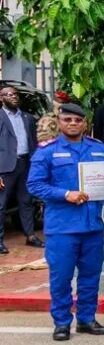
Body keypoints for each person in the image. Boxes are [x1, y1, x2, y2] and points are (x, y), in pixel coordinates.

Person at [28, 103, 104, 341]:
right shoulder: (47, 151)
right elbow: (34, 185)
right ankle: (61, 322)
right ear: (59, 123)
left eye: (78, 120)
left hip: (92, 225)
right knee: (61, 277)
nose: (72, 124)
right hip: (62, 228)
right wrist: (65, 194)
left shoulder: (98, 148)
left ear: (85, 123)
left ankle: (87, 319)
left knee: (91, 275)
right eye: (67, 120)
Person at [0, 84, 41, 253]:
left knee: (26, 201)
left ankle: (30, 236)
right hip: (5, 167)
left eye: (15, 94)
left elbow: (34, 142)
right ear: (1, 98)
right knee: (1, 205)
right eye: (9, 94)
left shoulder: (28, 118)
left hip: (26, 164)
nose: (14, 97)